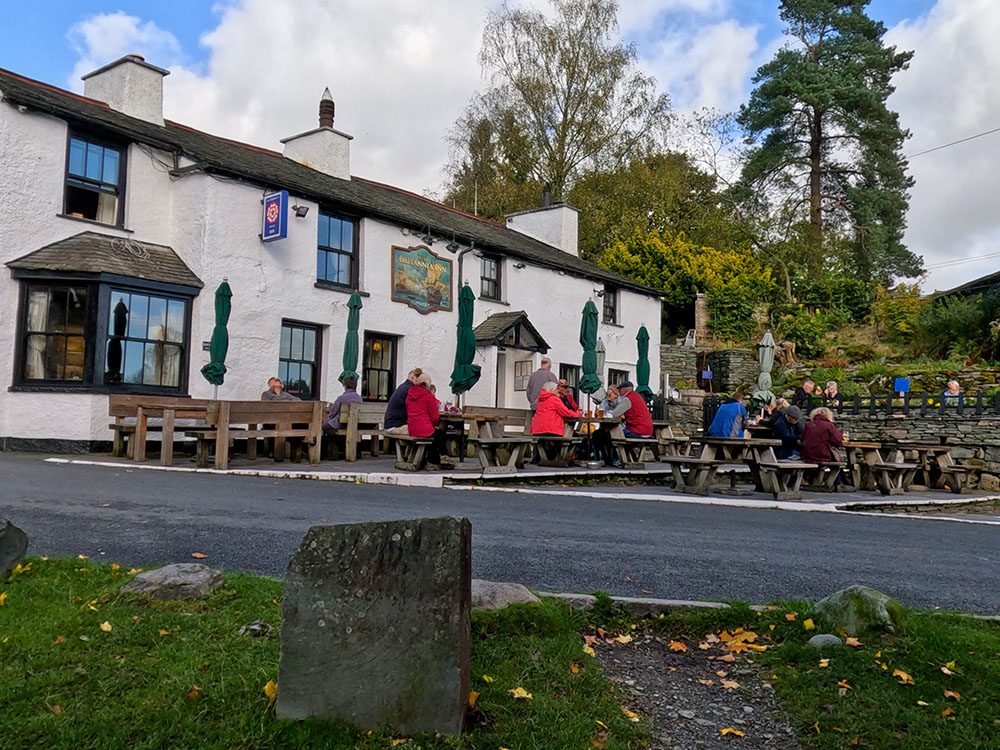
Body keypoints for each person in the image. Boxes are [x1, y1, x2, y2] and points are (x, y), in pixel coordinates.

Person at [405, 373, 451, 469]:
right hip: (424, 428)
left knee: (434, 435)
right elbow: (435, 416)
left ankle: (431, 460)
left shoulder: (409, 395)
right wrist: (433, 425)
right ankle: (440, 459)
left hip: (412, 428)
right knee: (438, 434)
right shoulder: (428, 396)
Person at [384, 367, 422, 433]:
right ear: (413, 378)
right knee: (425, 430)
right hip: (396, 426)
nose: (420, 383)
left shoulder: (403, 387)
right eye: (419, 380)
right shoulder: (410, 389)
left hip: (390, 424)